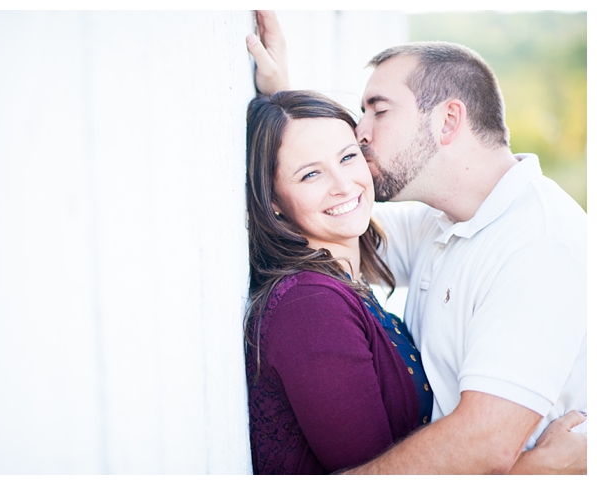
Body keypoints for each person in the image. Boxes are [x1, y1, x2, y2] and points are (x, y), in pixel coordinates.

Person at [245, 10, 586, 474]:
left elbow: (485, 442)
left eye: (378, 111)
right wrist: (283, 108)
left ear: (447, 121)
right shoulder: (441, 222)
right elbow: (328, 230)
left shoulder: (540, 242)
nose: (360, 133)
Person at [245, 90, 433, 474]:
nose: (344, 185)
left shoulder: (341, 285)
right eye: (310, 174)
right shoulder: (309, 306)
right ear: (273, 200)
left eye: (348, 157)